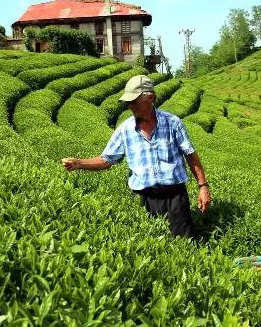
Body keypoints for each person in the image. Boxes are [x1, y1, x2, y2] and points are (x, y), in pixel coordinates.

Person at [61, 74, 211, 237]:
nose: (130, 106)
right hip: (144, 198)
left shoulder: (172, 123)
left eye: (134, 102)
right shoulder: (125, 129)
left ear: (151, 98)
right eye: (128, 103)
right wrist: (79, 163)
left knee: (184, 244)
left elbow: (190, 155)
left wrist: (203, 187)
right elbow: (106, 159)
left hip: (175, 197)